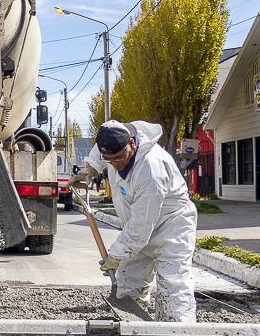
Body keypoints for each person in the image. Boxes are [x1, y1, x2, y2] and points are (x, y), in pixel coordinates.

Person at [69, 120, 197, 322]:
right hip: (136, 227)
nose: (116, 163)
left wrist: (116, 255)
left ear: (131, 143)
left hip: (171, 227)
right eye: (108, 160)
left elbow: (141, 226)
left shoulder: (150, 168)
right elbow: (99, 150)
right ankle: (133, 324)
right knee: (128, 282)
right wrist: (90, 168)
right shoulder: (114, 143)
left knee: (174, 285)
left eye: (119, 157)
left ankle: (178, 331)